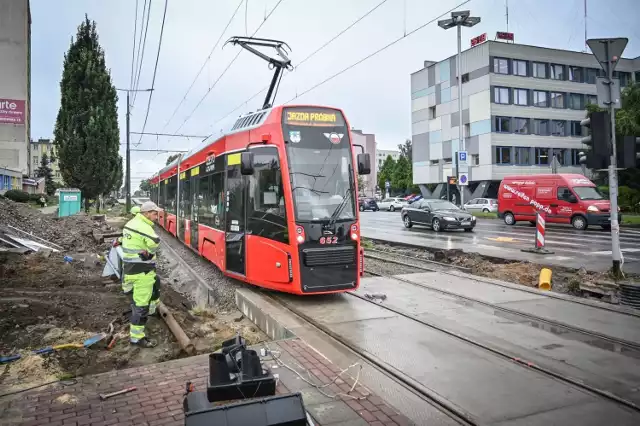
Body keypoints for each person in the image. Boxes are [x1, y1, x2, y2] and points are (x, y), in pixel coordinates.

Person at [121, 201, 162, 348]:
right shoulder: (144, 226)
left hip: (129, 269)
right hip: (142, 271)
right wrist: (149, 253)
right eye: (154, 213)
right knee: (141, 305)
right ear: (146, 213)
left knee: (156, 283)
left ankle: (151, 311)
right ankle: (137, 338)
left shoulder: (131, 223)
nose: (156, 217)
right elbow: (155, 241)